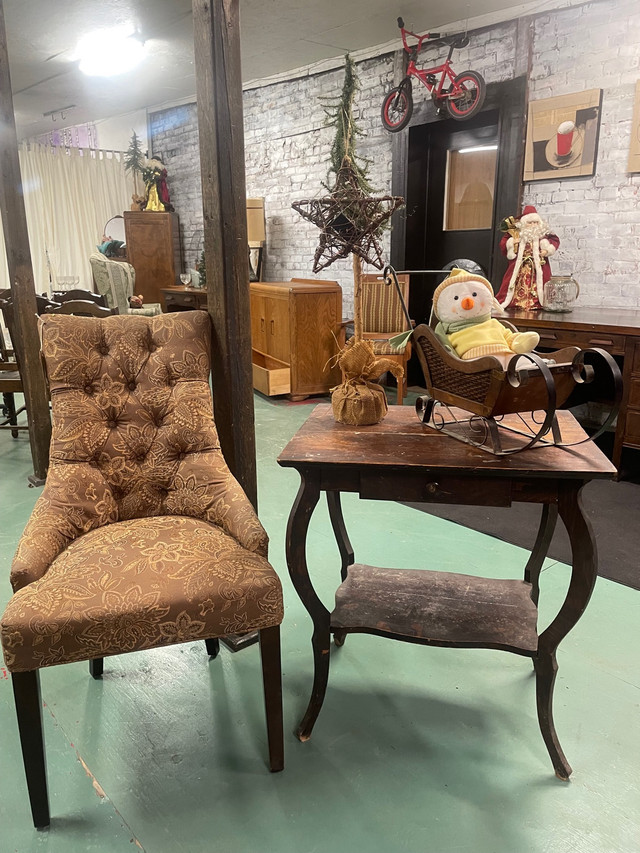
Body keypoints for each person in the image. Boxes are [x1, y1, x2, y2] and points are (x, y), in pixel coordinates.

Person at [496, 206, 559, 310]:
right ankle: (517, 302)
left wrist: (547, 250)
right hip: (521, 266)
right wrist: (512, 242)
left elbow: (555, 240)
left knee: (540, 284)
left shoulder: (543, 235)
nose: (533, 225)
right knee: (514, 283)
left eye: (536, 223)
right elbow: (503, 243)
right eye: (530, 223)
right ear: (524, 223)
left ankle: (536, 302)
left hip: (538, 266)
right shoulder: (518, 234)